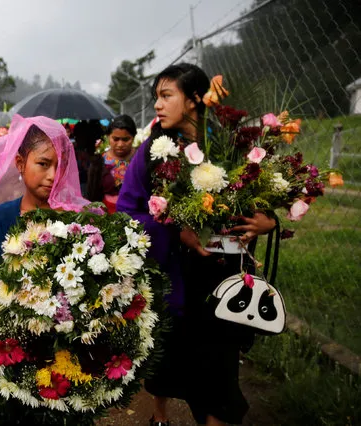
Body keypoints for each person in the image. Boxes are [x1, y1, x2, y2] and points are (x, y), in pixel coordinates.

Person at [117, 63, 277, 426]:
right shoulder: (152, 151)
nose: (157, 105)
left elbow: (259, 195)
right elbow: (128, 210)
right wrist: (175, 232)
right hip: (176, 277)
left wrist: (268, 221)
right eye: (156, 97)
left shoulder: (232, 145)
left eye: (166, 95)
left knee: (218, 369)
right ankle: (160, 417)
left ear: (193, 101)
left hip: (225, 278)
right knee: (171, 360)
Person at [0, 117, 89, 263]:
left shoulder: (77, 218)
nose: (53, 175)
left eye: (60, 166)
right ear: (20, 163)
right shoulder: (0, 219)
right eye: (43, 164)